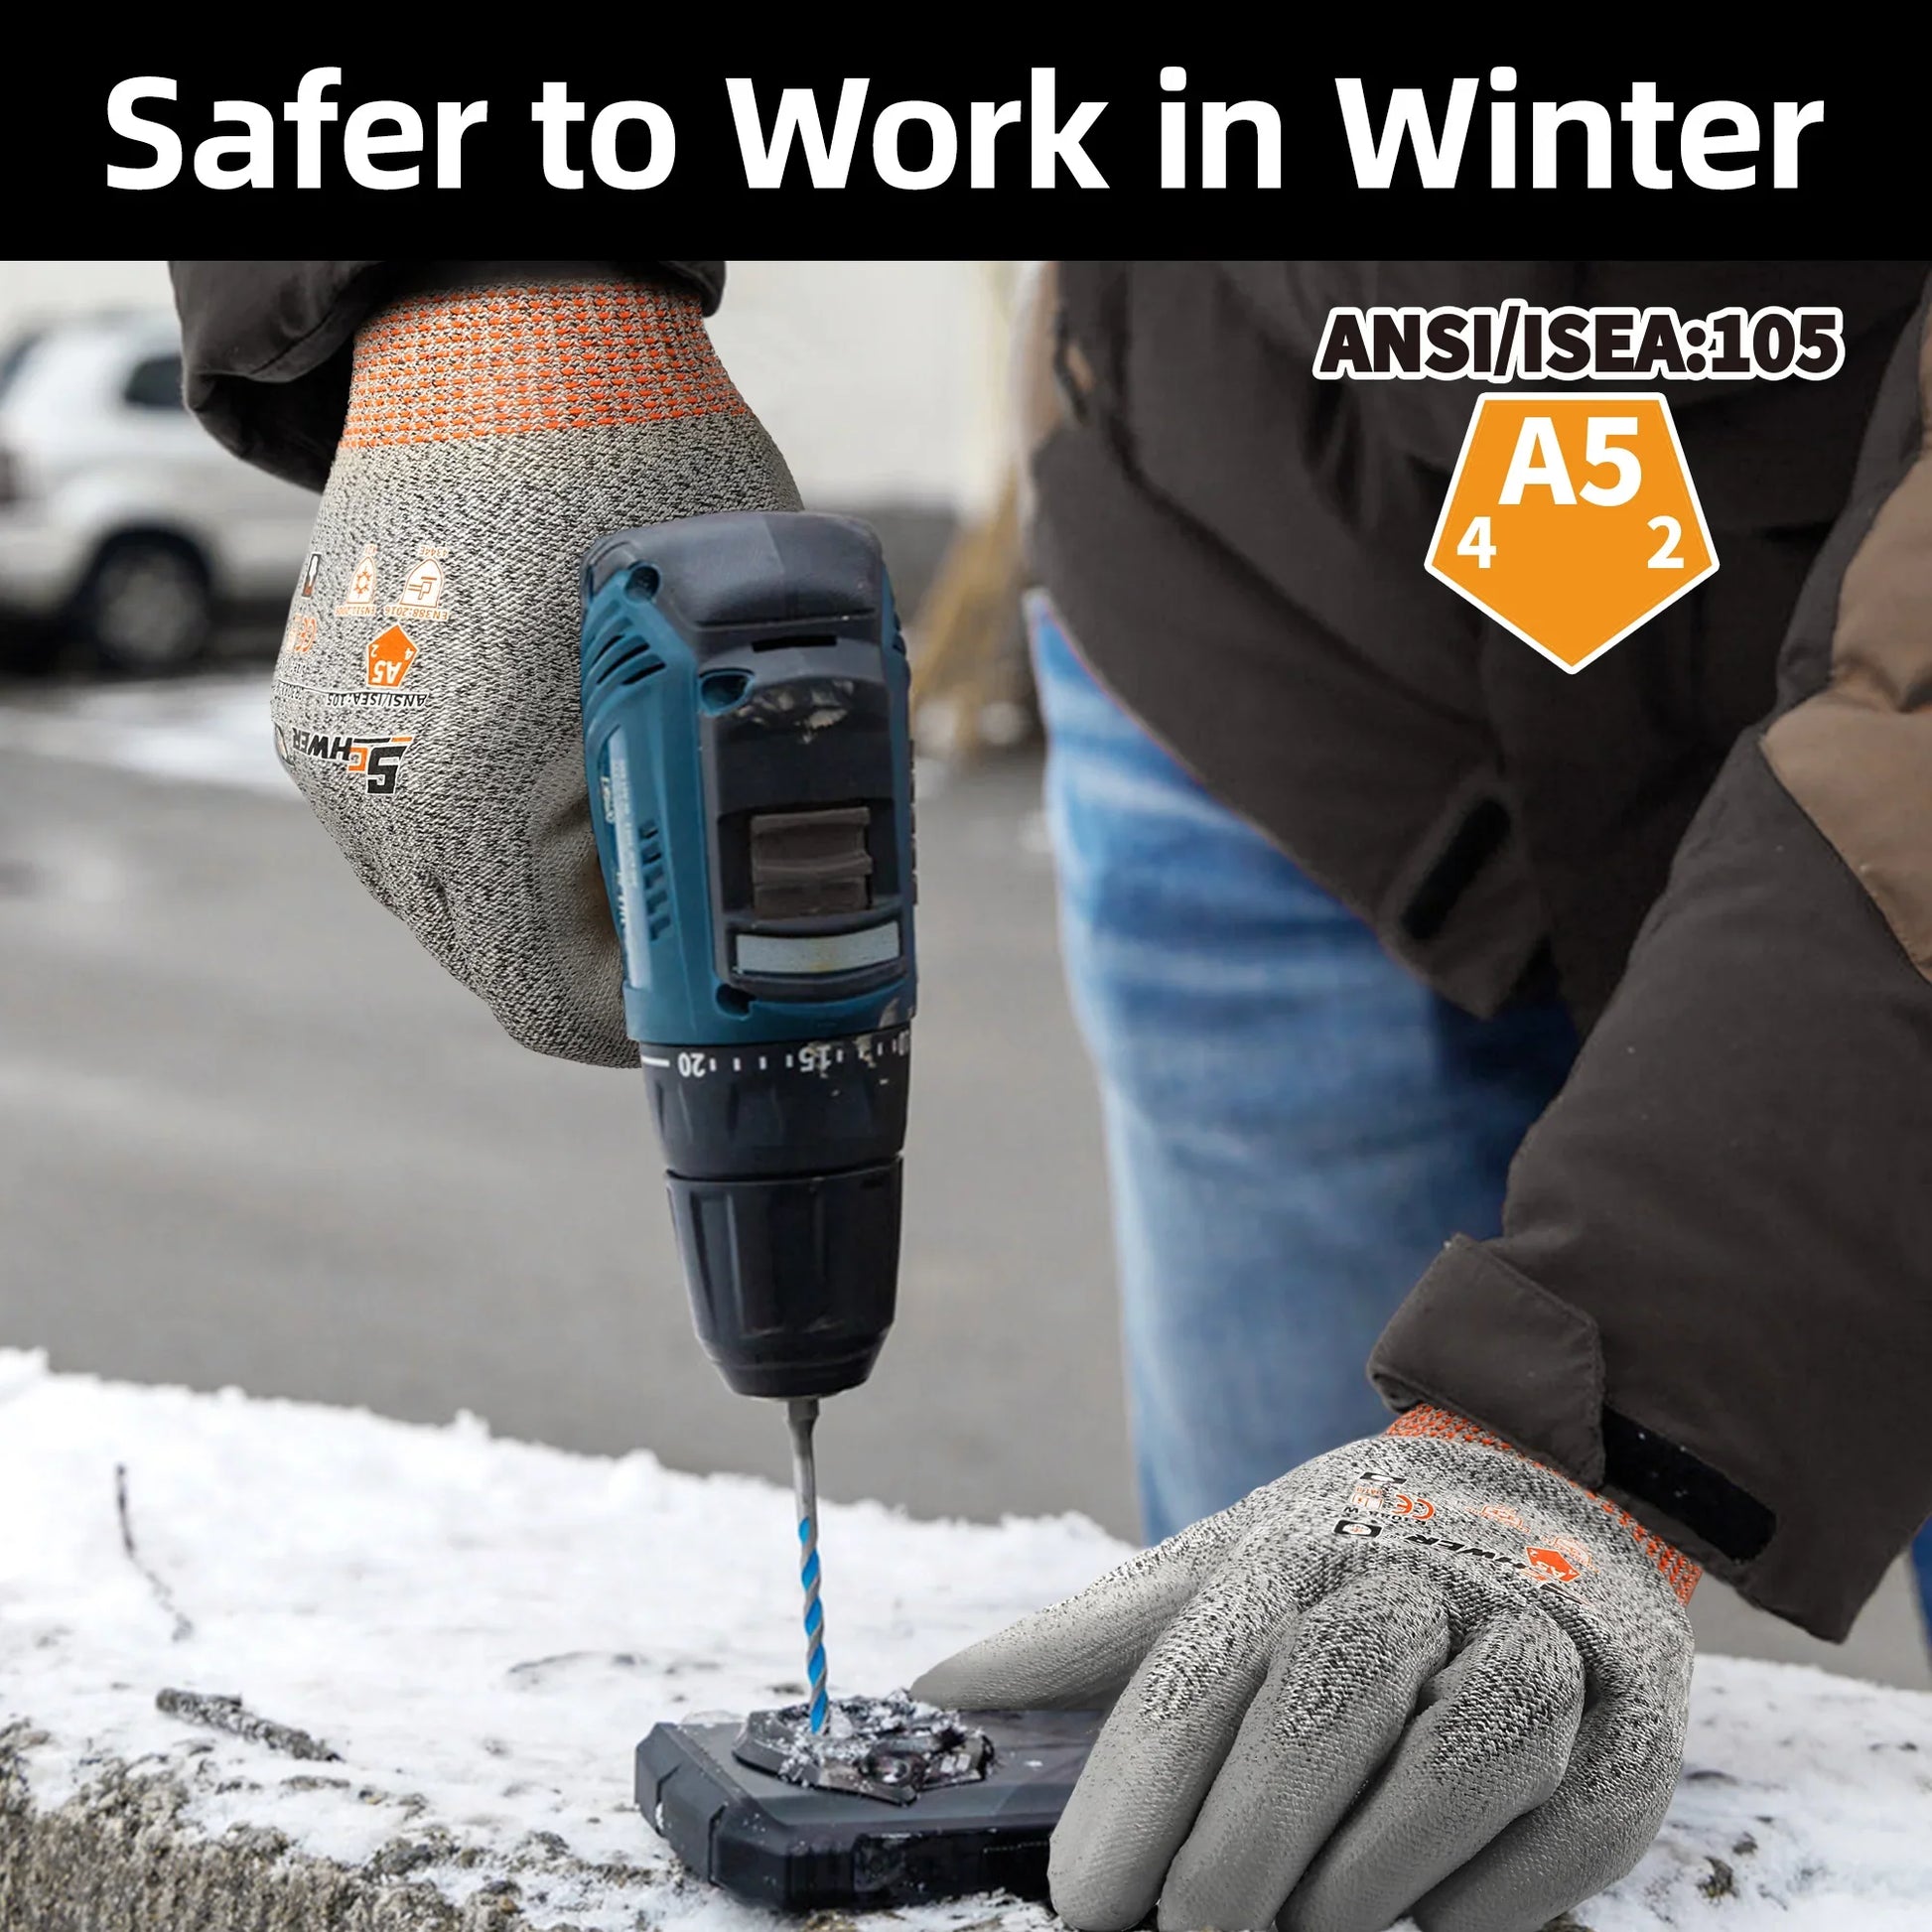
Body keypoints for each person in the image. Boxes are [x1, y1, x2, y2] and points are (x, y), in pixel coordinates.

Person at [172, 259, 1932, 1932]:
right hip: (1277, 628)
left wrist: (1603, 1430)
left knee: (1402, 1688)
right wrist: (488, 274)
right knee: (1269, 1776)